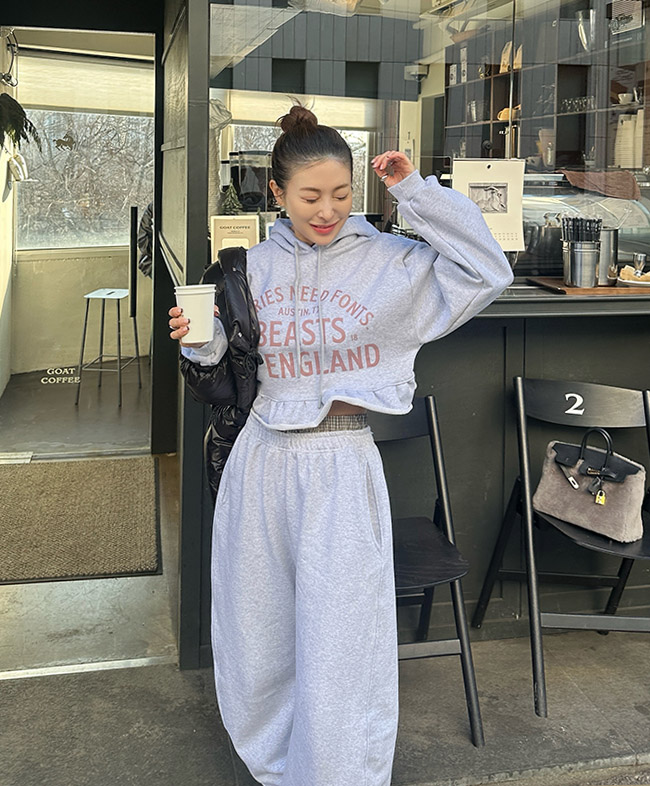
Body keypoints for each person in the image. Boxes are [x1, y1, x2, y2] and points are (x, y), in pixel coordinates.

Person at [168, 105, 513, 786]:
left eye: (341, 194)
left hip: (341, 458)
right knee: (259, 629)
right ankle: (274, 765)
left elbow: (487, 270)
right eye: (310, 197)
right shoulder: (248, 268)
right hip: (261, 458)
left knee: (342, 638)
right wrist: (196, 340)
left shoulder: (394, 264)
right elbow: (222, 367)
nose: (327, 211)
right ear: (278, 193)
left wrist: (413, 190)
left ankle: (337, 773)